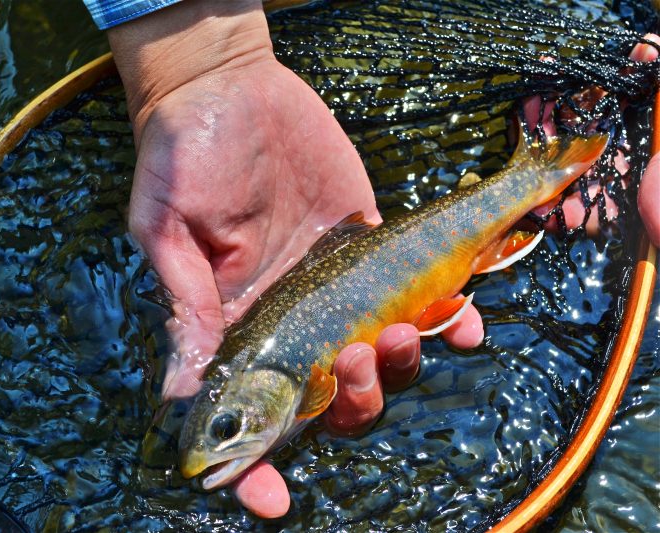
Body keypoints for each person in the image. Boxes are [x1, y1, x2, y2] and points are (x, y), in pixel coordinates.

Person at [82, 0, 660, 519]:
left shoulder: (301, 385)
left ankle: (532, 176)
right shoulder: (287, 383)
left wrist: (199, 64)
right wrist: (197, 65)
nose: (225, 443)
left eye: (229, 427)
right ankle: (530, 179)